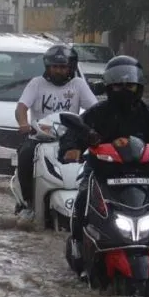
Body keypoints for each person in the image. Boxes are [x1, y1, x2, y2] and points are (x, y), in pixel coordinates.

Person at [58, 55, 149, 248]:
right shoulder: (97, 112)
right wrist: (71, 149)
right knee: (82, 199)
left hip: (144, 176)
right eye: (118, 86)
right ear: (109, 87)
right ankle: (78, 245)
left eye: (130, 86)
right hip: (102, 173)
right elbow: (76, 132)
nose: (124, 91)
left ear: (139, 86)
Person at [13, 44, 100, 221]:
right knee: (25, 154)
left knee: (96, 158)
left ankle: (92, 200)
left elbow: (96, 109)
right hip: (40, 137)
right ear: (48, 67)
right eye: (55, 67)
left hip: (72, 139)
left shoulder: (78, 84)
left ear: (70, 67)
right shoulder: (36, 83)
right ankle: (28, 202)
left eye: (62, 67)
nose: (58, 70)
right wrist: (23, 123)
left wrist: (96, 128)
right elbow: (22, 107)